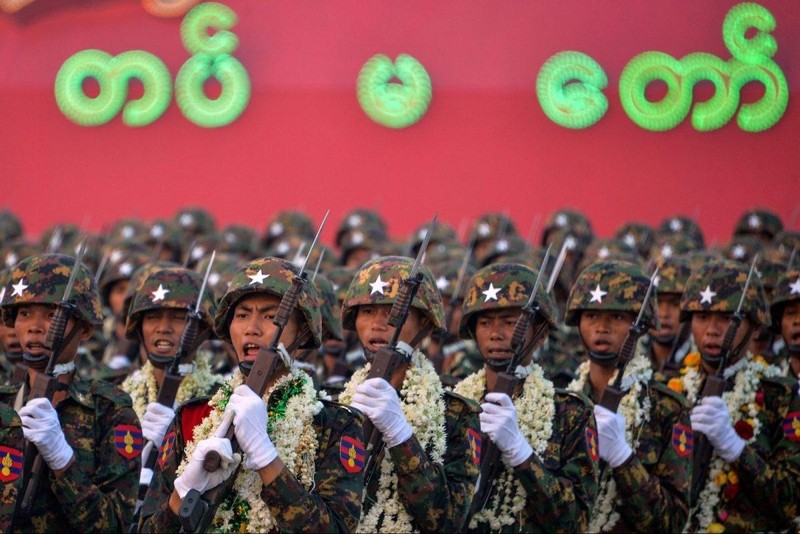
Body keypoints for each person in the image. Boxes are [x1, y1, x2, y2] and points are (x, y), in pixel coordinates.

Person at [139, 257, 365, 533]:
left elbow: (338, 528)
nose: (252, 329)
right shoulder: (194, 418)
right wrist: (183, 494)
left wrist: (266, 457)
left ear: (303, 331)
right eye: (242, 315)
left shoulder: (334, 425)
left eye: (271, 317)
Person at [0, 253, 141, 531]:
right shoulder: (4, 404)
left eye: (52, 315)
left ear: (86, 328)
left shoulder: (109, 410)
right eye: (25, 313)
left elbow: (114, 526)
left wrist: (63, 462)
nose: (35, 326)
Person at [339, 256, 480, 532]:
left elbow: (448, 520)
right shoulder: (336, 403)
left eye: (393, 312)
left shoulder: (454, 414)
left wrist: (401, 436)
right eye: (367, 311)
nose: (378, 324)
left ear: (425, 324)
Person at [453, 262, 599, 531]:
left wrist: (521, 453)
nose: (496, 334)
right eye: (485, 323)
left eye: (510, 323)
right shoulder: (452, 405)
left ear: (540, 334)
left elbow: (576, 520)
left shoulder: (569, 413)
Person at [565, 260, 692, 532]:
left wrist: (624, 460)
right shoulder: (561, 402)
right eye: (591, 316)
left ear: (640, 324)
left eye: (617, 317)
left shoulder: (665, 407)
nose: (602, 327)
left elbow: (673, 521)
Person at [674, 259, 800, 532]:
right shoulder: (670, 393)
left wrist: (736, 449)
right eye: (702, 317)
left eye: (728, 319)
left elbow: (792, 500)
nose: (713, 330)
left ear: (755, 327)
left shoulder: (783, 396)